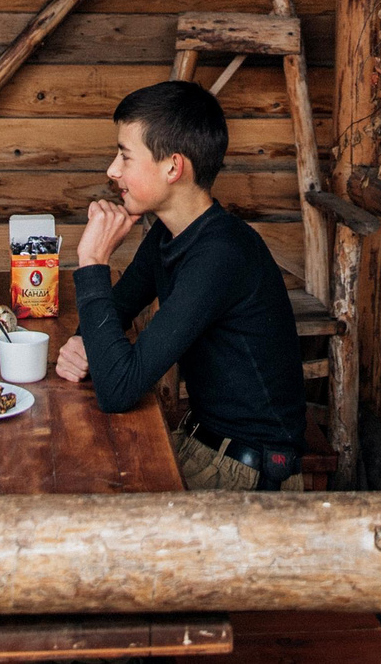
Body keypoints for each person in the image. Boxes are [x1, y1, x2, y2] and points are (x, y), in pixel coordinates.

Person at [55, 80, 307, 490]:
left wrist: (92, 263)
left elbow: (118, 390)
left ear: (173, 167)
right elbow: (115, 311)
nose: (112, 170)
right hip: (199, 444)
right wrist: (83, 345)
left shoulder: (222, 255)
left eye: (124, 155)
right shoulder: (169, 235)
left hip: (247, 478)